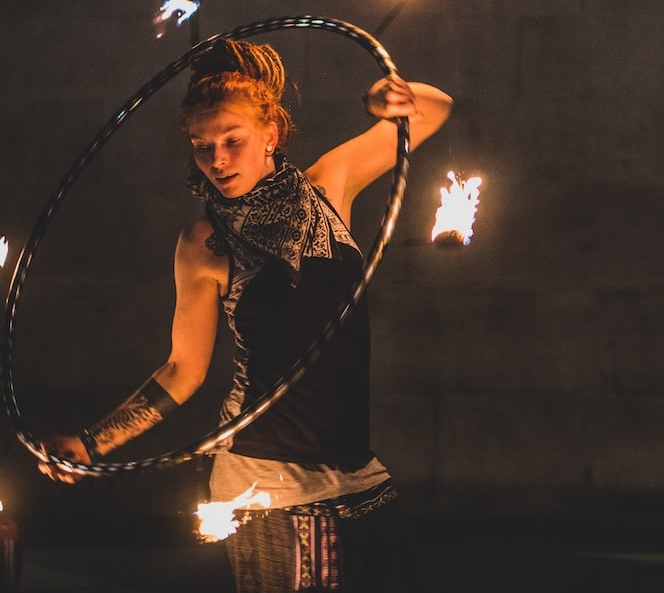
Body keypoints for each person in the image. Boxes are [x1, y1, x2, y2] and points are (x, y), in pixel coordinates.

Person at [38, 36, 453, 592]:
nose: (218, 160)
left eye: (232, 140)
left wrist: (385, 98)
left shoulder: (330, 185)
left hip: (354, 467)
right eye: (201, 146)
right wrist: (93, 444)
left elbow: (433, 109)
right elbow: (183, 371)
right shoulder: (202, 243)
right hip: (266, 478)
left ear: (271, 134)